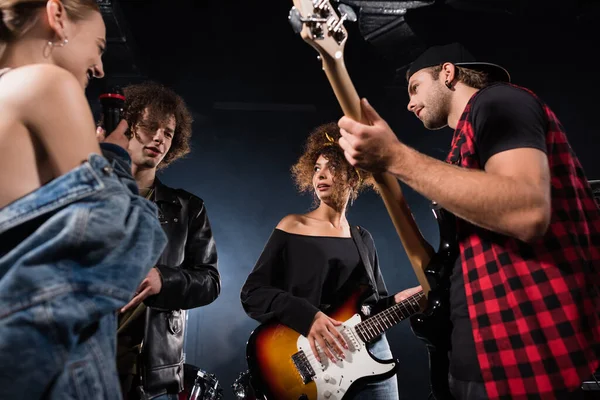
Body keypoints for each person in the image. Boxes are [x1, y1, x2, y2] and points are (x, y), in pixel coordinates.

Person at [337, 42, 600, 399]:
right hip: (481, 343)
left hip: (521, 352)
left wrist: (396, 158)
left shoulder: (500, 101)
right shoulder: (463, 142)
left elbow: (526, 212)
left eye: (415, 87)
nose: (410, 103)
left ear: (448, 72)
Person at [0, 1, 167, 399]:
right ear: (56, 16)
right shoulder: (47, 83)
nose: (99, 67)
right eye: (99, 45)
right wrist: (112, 160)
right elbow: (121, 244)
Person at [240, 122, 421, 400]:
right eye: (316, 168)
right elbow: (253, 293)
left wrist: (401, 301)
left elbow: (372, 306)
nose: (321, 175)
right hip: (316, 359)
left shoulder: (363, 238)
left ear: (352, 178)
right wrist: (308, 316)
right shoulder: (293, 226)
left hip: (371, 353)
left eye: (332, 167)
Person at [107, 82, 221, 400]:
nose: (159, 137)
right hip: (82, 361)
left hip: (153, 376)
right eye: (149, 126)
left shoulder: (188, 208)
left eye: (168, 132)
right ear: (125, 126)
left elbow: (210, 282)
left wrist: (164, 280)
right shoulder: (89, 194)